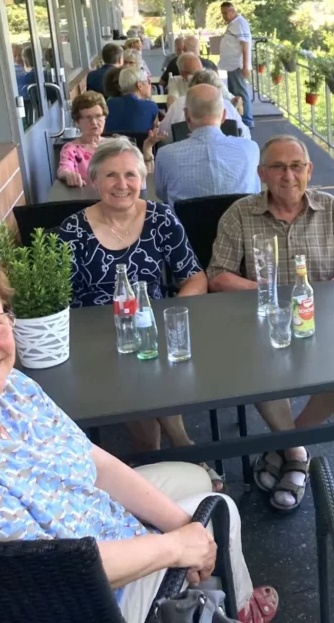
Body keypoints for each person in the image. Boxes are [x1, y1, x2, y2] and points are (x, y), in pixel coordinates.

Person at [0, 253, 279, 623]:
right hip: (87, 600)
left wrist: (184, 527)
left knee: (193, 482)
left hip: (90, 524)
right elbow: (49, 572)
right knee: (220, 509)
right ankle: (234, 607)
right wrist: (177, 546)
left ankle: (217, 589)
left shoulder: (7, 387)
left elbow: (91, 459)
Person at [208, 134, 334, 512]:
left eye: (296, 166)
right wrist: (271, 292)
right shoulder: (240, 213)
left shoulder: (332, 209)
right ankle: (296, 450)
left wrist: (326, 294)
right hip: (265, 324)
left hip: (324, 320)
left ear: (309, 170)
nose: (287, 175)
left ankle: (287, 443)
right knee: (258, 370)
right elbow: (219, 275)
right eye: (277, 166)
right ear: (262, 173)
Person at [57, 139, 222, 479]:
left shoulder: (161, 218)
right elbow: (59, 299)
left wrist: (171, 316)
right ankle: (179, 452)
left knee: (148, 362)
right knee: (136, 372)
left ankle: (159, 465)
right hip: (97, 340)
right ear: (93, 180)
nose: (121, 185)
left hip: (154, 326)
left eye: (130, 175)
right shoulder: (72, 231)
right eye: (111, 175)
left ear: (143, 179)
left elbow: (193, 276)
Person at [153, 84, 260, 206]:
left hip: (184, 224)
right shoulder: (251, 149)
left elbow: (161, 194)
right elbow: (255, 192)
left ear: (187, 116)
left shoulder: (165, 155)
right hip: (239, 223)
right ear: (224, 116)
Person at [160, 68, 250, 141]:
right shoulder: (227, 106)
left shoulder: (179, 104)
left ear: (191, 87)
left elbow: (164, 135)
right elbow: (245, 136)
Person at [57, 91, 107, 187]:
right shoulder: (71, 149)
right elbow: (64, 168)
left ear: (105, 117)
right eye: (88, 117)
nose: (94, 122)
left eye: (98, 116)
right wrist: (67, 175)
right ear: (77, 122)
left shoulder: (114, 146)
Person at [217, 2, 253, 128]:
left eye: (226, 13)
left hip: (238, 66)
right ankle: (237, 119)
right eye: (223, 13)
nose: (224, 16)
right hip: (232, 65)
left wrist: (245, 66)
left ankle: (246, 121)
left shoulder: (240, 23)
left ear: (233, 11)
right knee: (234, 94)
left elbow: (245, 45)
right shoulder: (234, 24)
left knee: (241, 93)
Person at [105, 67, 159, 133]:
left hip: (113, 143)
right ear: (140, 86)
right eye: (148, 82)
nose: (151, 85)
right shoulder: (151, 106)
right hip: (142, 143)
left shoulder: (108, 104)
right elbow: (156, 132)